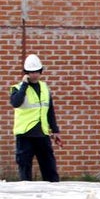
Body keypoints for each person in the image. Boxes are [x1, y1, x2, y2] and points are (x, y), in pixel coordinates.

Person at [9, 54, 61, 182]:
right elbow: (16, 103)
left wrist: (55, 130)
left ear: (41, 71)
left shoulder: (44, 88)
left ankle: (54, 196)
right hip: (25, 135)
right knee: (25, 170)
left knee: (50, 170)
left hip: (42, 135)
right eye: (31, 72)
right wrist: (24, 85)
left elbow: (50, 110)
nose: (34, 75)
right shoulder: (17, 88)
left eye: (37, 72)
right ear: (26, 73)